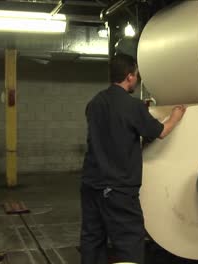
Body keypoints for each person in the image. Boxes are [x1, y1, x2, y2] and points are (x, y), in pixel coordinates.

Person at [80, 53, 186, 264]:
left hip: (91, 184)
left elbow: (113, 132)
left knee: (92, 238)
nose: (136, 80)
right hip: (118, 188)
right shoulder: (132, 106)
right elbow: (161, 131)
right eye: (136, 75)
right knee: (129, 242)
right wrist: (176, 115)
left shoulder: (94, 102)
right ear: (129, 77)